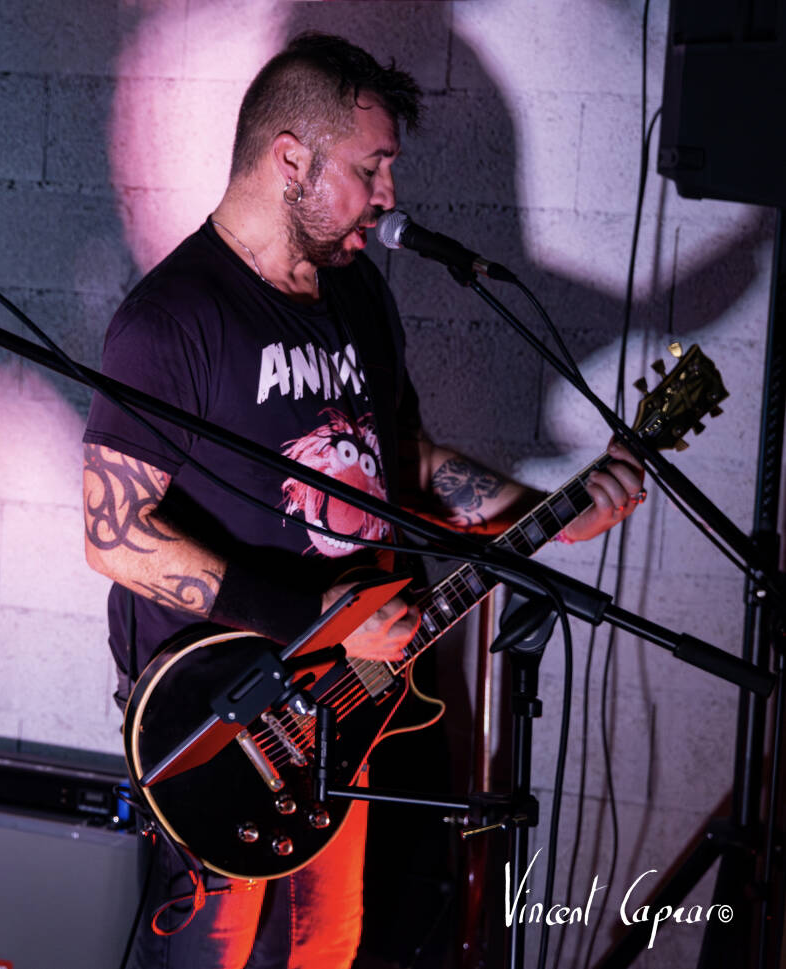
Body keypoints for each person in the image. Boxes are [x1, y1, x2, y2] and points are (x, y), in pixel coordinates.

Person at [81, 32, 644, 969]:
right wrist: (316, 619)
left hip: (349, 701)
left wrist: (552, 511)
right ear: (289, 159)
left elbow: (401, 463)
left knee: (326, 948)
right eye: (369, 167)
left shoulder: (356, 295)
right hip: (226, 718)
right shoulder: (172, 318)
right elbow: (114, 536)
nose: (388, 195)